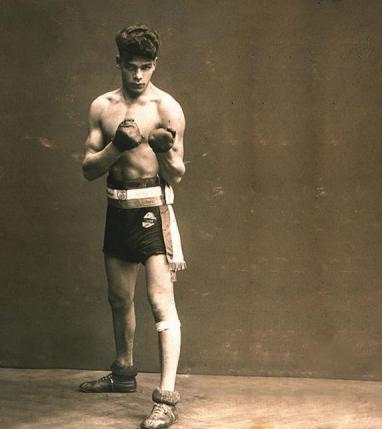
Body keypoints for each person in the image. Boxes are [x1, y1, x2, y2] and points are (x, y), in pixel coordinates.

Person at [79, 24, 186, 429]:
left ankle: (165, 399)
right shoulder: (102, 107)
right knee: (118, 299)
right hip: (116, 209)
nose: (139, 76)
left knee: (160, 304)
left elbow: (177, 172)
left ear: (154, 65)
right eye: (131, 67)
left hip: (152, 212)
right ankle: (123, 373)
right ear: (118, 63)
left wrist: (163, 153)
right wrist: (117, 147)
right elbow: (89, 169)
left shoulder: (167, 108)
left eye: (146, 67)